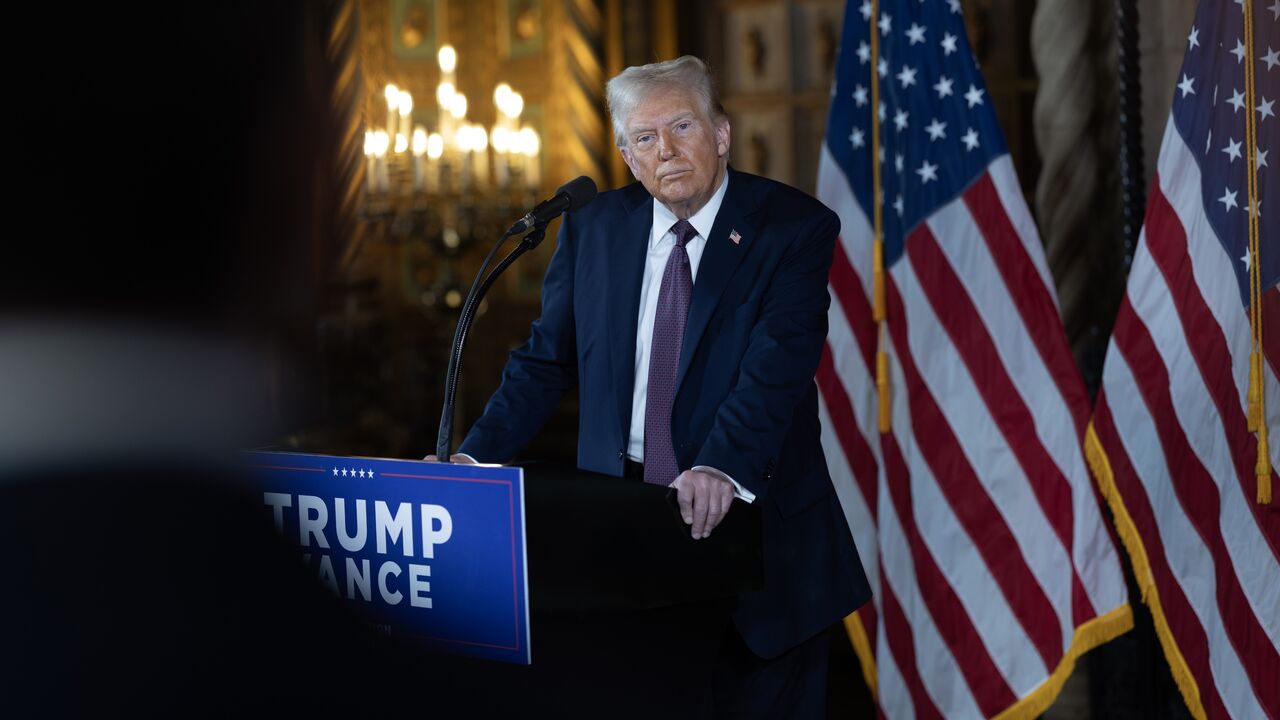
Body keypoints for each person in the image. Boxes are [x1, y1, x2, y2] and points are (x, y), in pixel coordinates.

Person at [438, 55, 870, 716]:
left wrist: (719, 465)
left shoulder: (792, 228)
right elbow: (545, 362)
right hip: (622, 542)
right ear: (627, 156)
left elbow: (777, 367)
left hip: (758, 548)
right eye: (644, 138)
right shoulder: (594, 228)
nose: (665, 150)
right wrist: (471, 459)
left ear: (721, 134)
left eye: (682, 127)